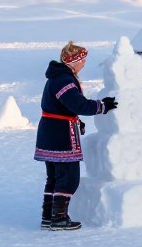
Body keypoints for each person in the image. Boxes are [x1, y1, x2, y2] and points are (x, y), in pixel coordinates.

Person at [34, 42, 117, 230]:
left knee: (55, 177)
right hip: (60, 134)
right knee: (68, 177)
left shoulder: (57, 77)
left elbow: (64, 106)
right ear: (74, 61)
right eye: (83, 60)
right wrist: (102, 106)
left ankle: (49, 216)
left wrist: (77, 121)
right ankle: (59, 218)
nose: (85, 63)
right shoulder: (64, 79)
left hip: (51, 131)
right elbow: (78, 104)